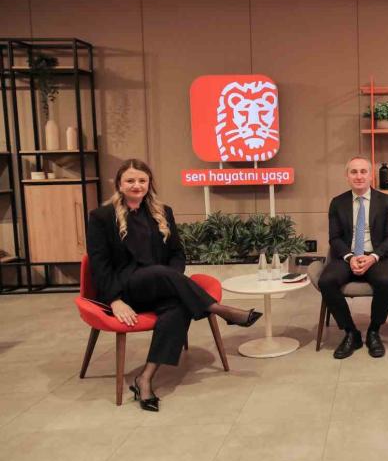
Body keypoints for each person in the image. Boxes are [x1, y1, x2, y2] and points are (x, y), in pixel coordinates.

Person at [86, 159, 262, 412]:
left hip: (161, 284)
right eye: (130, 180)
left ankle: (144, 379)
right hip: (126, 289)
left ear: (149, 183)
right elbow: (99, 265)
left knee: (178, 309)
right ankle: (218, 309)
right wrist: (115, 300)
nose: (137, 185)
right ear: (119, 185)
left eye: (142, 180)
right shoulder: (101, 217)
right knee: (159, 272)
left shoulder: (162, 211)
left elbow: (177, 254)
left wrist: (171, 280)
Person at [318, 155, 388, 359]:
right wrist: (350, 257)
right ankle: (351, 332)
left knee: (385, 281)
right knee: (326, 281)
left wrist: (373, 257)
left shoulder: (386, 202)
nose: (359, 176)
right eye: (353, 172)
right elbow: (335, 238)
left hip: (377, 256)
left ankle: (374, 331)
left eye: (363, 171)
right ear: (347, 176)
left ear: (371, 175)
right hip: (347, 256)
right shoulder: (337, 203)